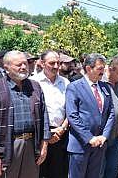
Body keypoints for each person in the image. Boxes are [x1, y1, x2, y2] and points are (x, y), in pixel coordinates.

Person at [0, 50, 50, 178]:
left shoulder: (35, 86)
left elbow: (44, 116)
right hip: (8, 145)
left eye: (25, 63)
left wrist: (44, 144)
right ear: (6, 68)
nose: (24, 67)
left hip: (32, 145)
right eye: (19, 65)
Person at [66, 53, 115, 178]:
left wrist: (104, 136)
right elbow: (72, 116)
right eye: (99, 69)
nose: (103, 72)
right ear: (88, 68)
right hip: (80, 145)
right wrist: (88, 138)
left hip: (99, 144)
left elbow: (111, 112)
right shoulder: (74, 87)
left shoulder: (105, 87)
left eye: (103, 68)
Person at [32, 50, 69, 178]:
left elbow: (70, 110)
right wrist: (46, 134)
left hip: (61, 134)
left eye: (58, 63)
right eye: (52, 63)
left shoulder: (65, 82)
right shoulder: (33, 82)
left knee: (59, 172)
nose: (56, 66)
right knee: (40, 172)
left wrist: (62, 129)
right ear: (42, 63)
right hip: (40, 136)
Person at [101, 57, 118, 178]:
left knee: (113, 167)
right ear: (110, 70)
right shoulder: (101, 84)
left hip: (116, 135)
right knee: (100, 168)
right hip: (103, 134)